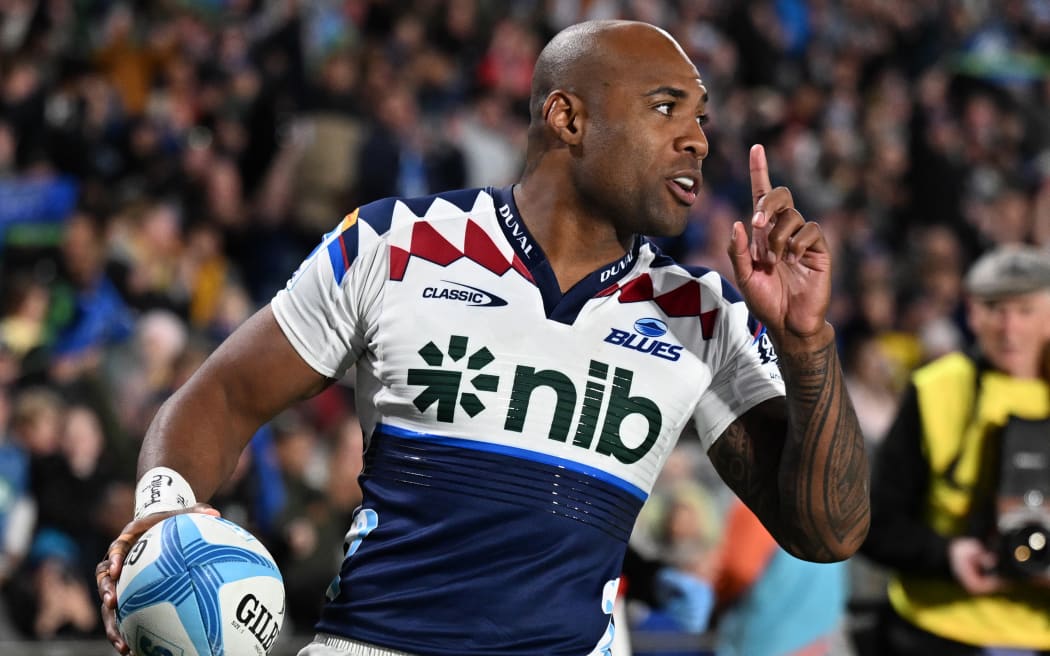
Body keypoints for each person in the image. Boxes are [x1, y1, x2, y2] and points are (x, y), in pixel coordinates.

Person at [96, 20, 870, 656]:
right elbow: (224, 395)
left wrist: (806, 343)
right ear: (567, 117)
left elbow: (830, 532)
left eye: (702, 116)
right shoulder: (397, 244)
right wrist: (164, 513)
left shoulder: (701, 311)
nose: (699, 139)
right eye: (667, 108)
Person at [861, 244, 1050, 655]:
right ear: (972, 312)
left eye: (1026, 310)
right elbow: (875, 526)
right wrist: (949, 555)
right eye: (995, 309)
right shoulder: (935, 388)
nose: (1010, 328)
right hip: (933, 630)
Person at [710, 498, 848, 656]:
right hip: (816, 641)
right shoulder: (830, 516)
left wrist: (716, 602)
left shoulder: (757, 506)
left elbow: (739, 570)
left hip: (765, 640)